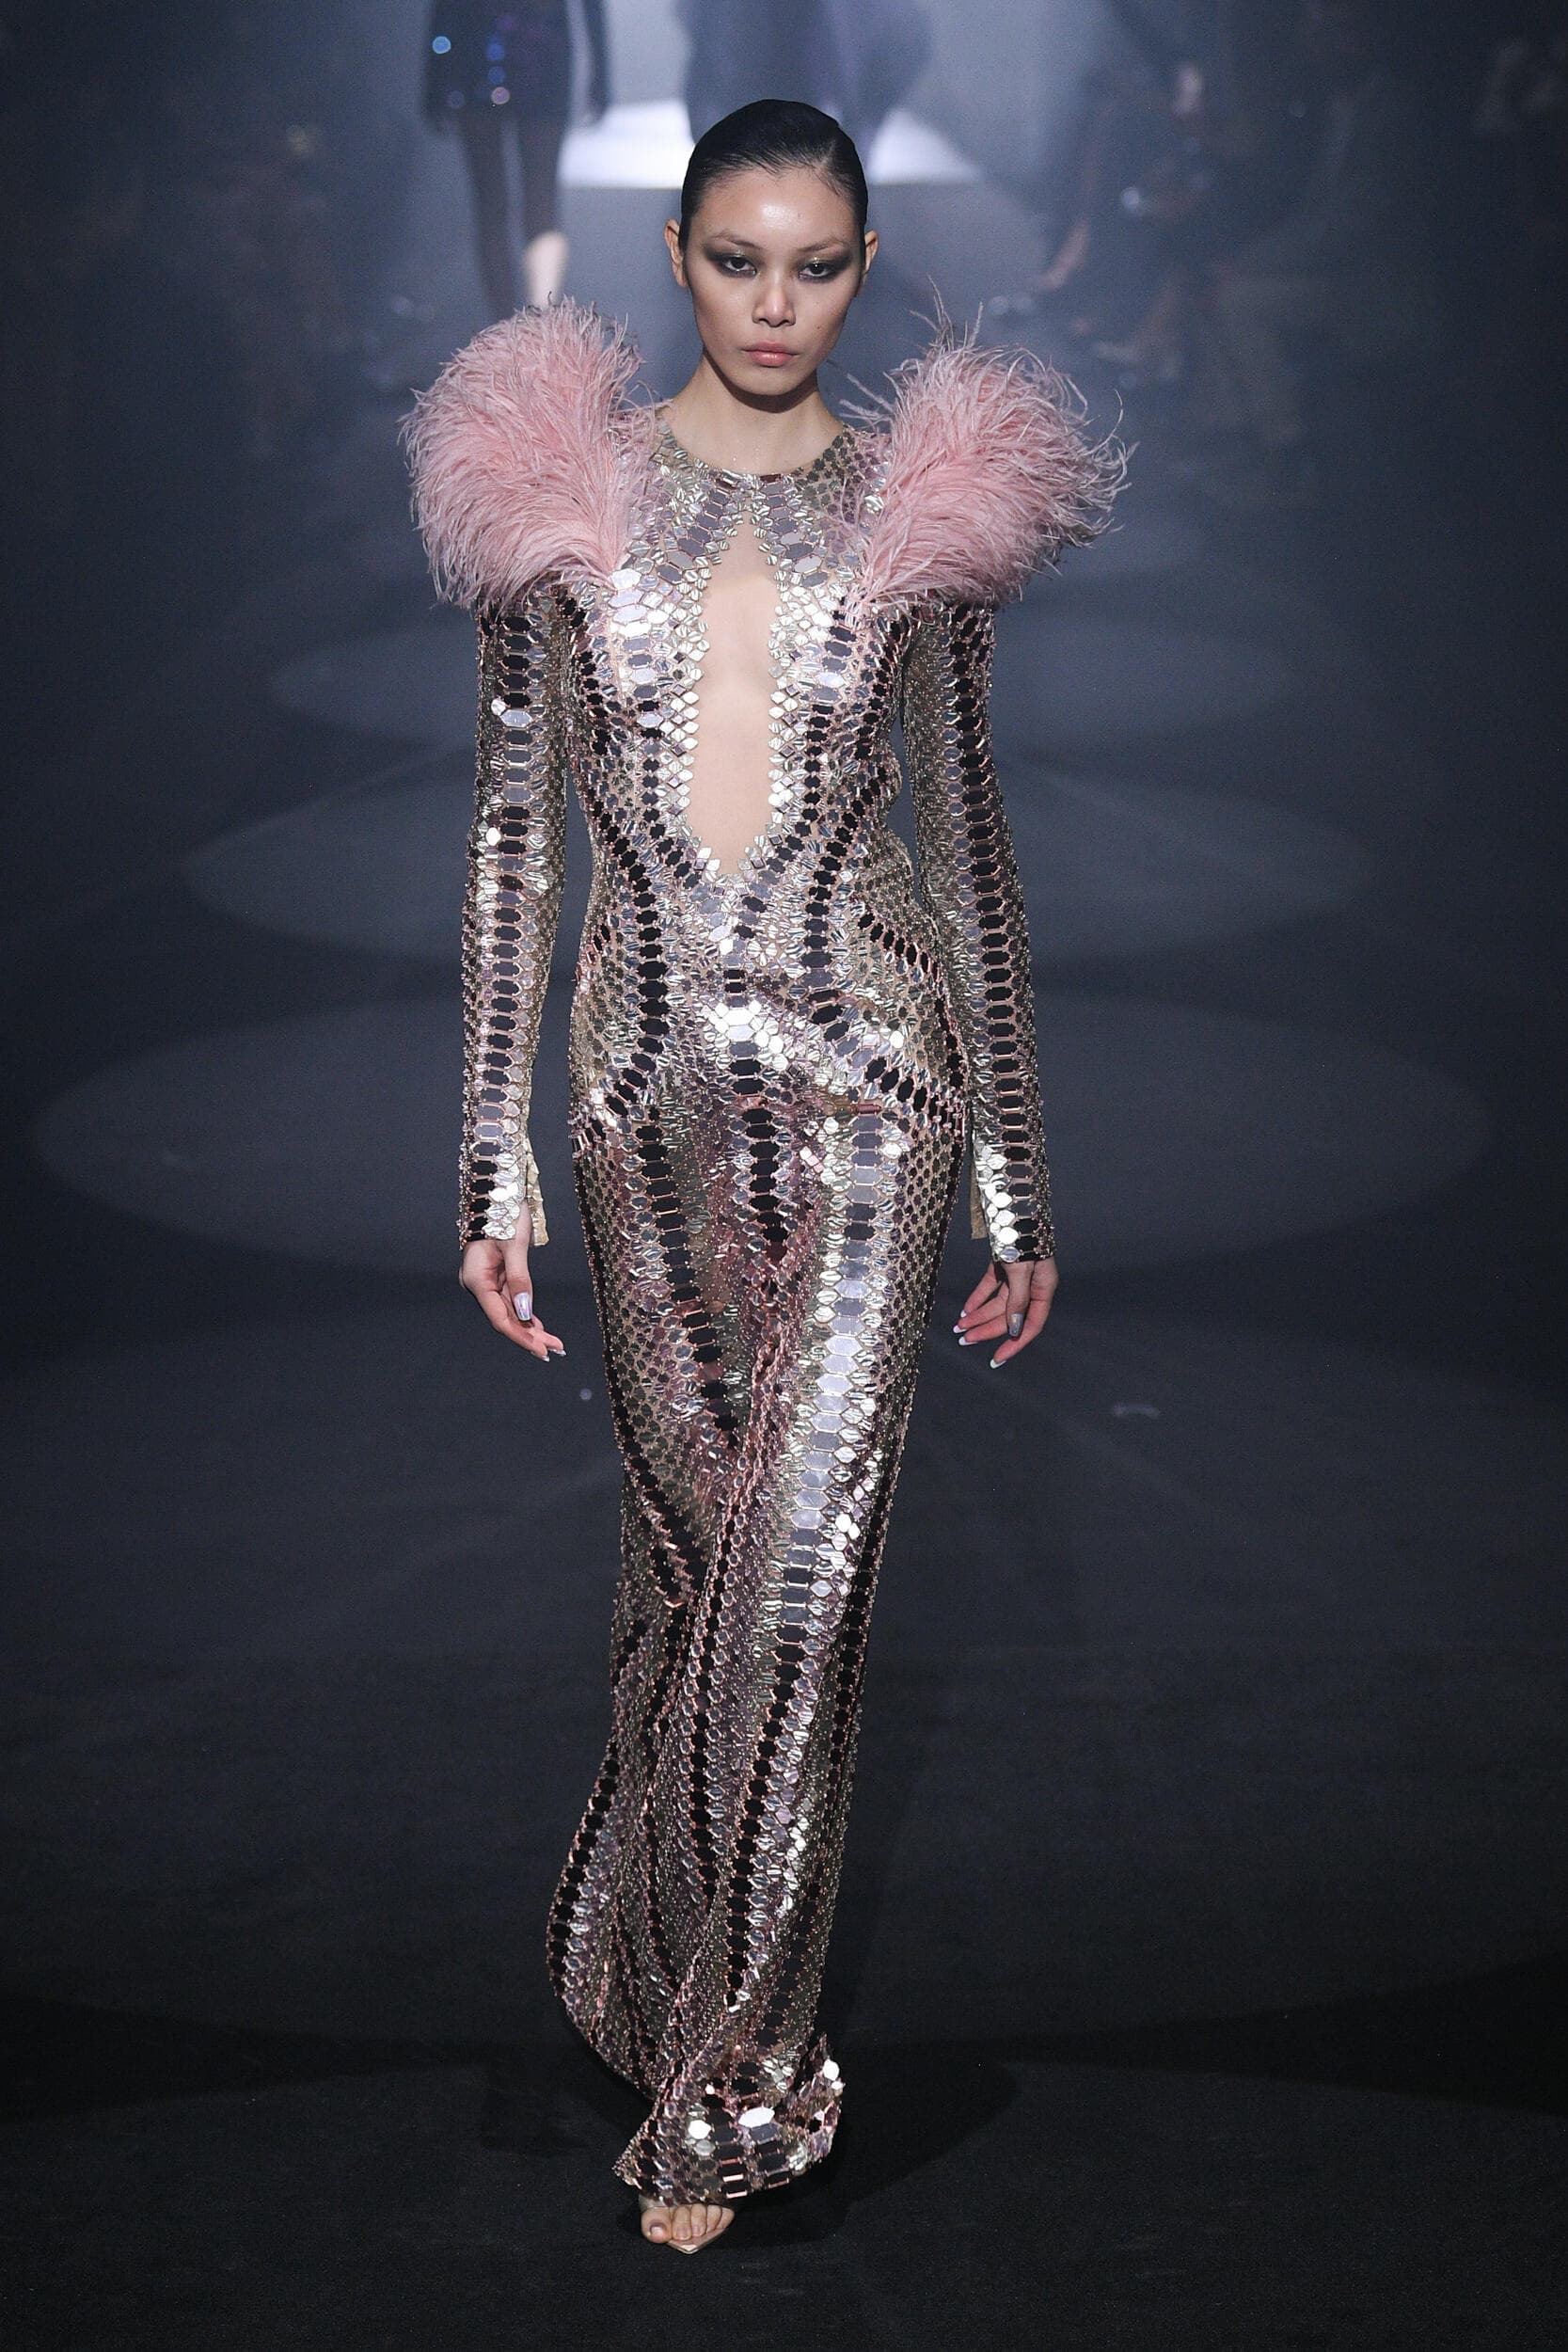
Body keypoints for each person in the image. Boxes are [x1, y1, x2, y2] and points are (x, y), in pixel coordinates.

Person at [404, 97, 1120, 2253]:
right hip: (638, 1098)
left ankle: (731, 2095)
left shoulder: (920, 508)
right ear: (679, 255)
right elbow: (513, 835)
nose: (775, 302)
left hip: (875, 1080)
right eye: (737, 259)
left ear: (863, 267)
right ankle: (639, 1955)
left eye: (815, 265)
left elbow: (965, 841)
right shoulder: (553, 489)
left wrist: (1016, 1167)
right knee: (686, 1580)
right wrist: (488, 1152)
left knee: (800, 1584)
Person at [423, 0, 610, 316]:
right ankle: (538, 318)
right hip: (540, 51)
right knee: (539, 202)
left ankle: (506, 321)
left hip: (476, 51)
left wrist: (434, 77)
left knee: (492, 204)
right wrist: (601, 70)